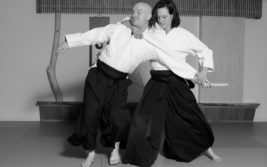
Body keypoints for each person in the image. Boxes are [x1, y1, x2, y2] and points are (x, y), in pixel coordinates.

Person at [56, 2, 203, 167]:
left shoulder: (152, 41)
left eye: (139, 12)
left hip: (119, 83)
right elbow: (96, 34)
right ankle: (90, 153)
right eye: (132, 11)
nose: (133, 14)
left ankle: (115, 149)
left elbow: (171, 59)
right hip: (97, 76)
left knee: (119, 119)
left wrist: (195, 75)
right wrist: (70, 42)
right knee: (89, 115)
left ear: (149, 16)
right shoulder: (119, 28)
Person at [122, 0, 222, 166]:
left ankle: (207, 148)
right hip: (157, 81)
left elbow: (205, 51)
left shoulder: (183, 35)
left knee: (192, 117)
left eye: (164, 16)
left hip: (176, 81)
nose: (161, 20)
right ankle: (138, 156)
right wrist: (130, 22)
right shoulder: (151, 31)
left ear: (173, 15)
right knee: (142, 119)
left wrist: (203, 72)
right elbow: (133, 24)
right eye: (158, 17)